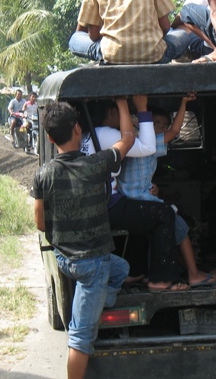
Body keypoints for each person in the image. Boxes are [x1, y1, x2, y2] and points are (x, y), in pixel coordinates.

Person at [31, 100, 133, 379]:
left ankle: (95, 305)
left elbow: (40, 222)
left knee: (122, 269)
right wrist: (123, 103)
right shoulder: (96, 164)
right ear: (78, 129)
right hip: (92, 262)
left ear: (50, 138)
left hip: (65, 259)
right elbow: (128, 139)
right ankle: (90, 314)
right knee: (80, 338)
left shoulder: (43, 175)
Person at [83, 96, 216, 288]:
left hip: (124, 199)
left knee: (147, 228)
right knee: (172, 220)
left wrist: (154, 186)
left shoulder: (107, 139)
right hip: (131, 200)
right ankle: (184, 275)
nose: (161, 128)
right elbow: (173, 132)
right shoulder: (129, 141)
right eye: (156, 123)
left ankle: (138, 272)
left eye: (164, 125)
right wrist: (183, 103)